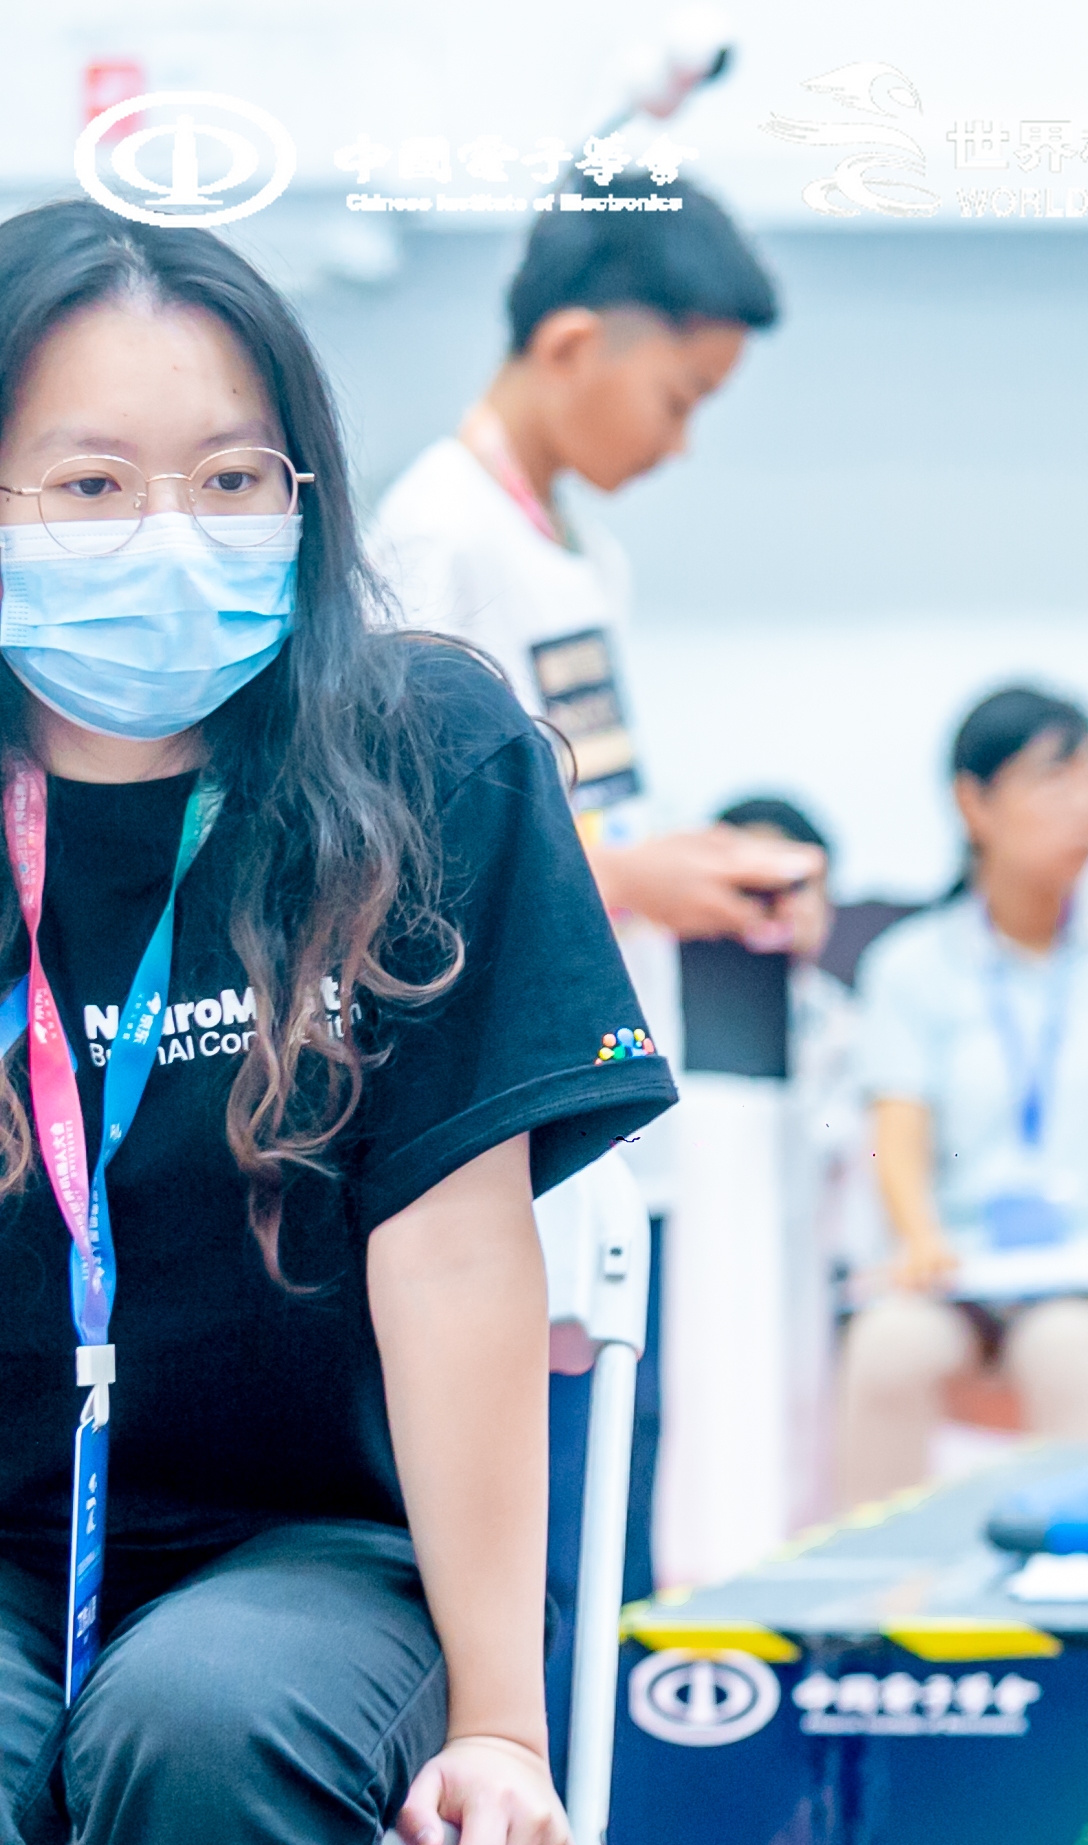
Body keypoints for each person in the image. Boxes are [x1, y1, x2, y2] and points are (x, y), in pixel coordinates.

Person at [0, 206, 674, 1845]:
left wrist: (503, 1729)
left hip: (313, 1554)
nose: (172, 535)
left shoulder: (428, 759)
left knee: (205, 1733)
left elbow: (454, 1258)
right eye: (91, 485)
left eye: (233, 480)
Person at [363, 193, 817, 1595]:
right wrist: (635, 878)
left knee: (616, 1526)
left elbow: (574, 810)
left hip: (608, 1110)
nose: (681, 445)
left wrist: (698, 870)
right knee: (547, 1555)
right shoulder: (438, 541)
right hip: (512, 1136)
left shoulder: (570, 550)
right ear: (571, 345)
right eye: (680, 400)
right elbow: (405, 864)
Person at [831, 689, 1088, 1507]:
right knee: (887, 1346)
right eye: (1054, 782)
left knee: (1061, 1344)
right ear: (973, 803)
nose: (1084, 808)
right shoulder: (911, 967)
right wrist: (920, 1237)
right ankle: (875, 1582)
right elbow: (893, 1136)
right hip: (966, 1281)